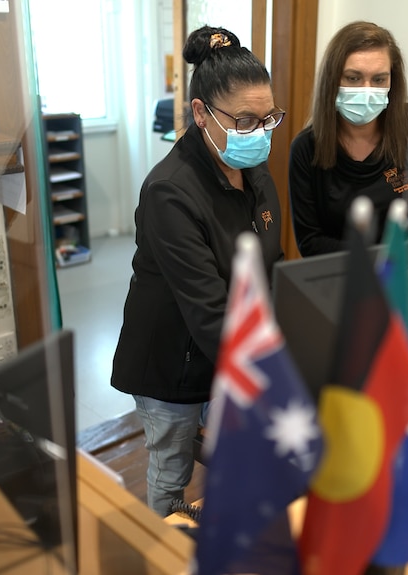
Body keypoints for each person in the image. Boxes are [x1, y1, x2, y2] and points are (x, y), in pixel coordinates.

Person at [110, 25, 286, 517]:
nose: (261, 131)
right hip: (173, 356)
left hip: (231, 350)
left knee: (238, 458)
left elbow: (271, 266)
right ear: (200, 113)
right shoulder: (169, 191)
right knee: (172, 473)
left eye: (268, 118)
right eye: (246, 120)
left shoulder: (254, 170)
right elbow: (208, 312)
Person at [288, 21, 408, 257]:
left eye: (379, 80)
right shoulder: (306, 148)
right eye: (353, 78)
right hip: (345, 282)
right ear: (332, 80)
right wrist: (384, 260)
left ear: (392, 81)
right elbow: (311, 242)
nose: (367, 90)